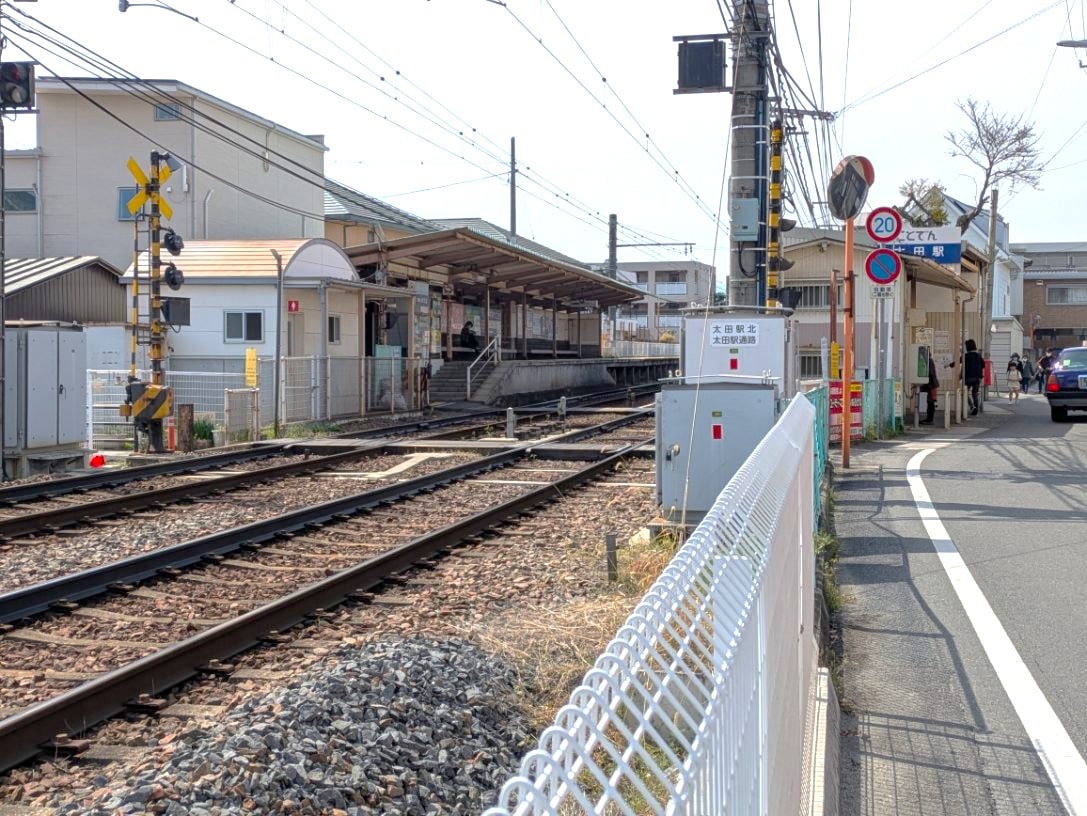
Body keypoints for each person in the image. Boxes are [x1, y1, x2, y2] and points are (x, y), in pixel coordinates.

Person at [962, 339, 984, 416]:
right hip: (977, 378)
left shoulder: (966, 356)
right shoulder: (979, 356)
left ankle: (972, 406)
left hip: (968, 377)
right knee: (974, 394)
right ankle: (976, 408)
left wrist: (949, 365)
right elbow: (983, 365)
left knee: (964, 393)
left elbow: (958, 361)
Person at [919, 347, 940, 424]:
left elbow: (930, 374)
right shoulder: (929, 360)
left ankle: (930, 419)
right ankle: (929, 418)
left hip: (931, 385)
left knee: (931, 402)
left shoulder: (928, 361)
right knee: (930, 402)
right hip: (931, 384)